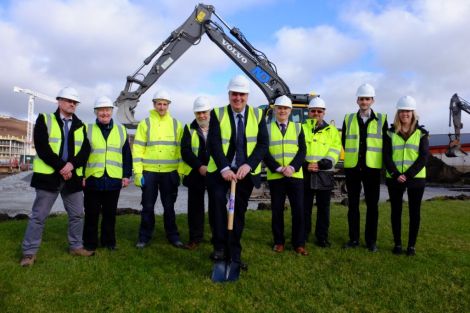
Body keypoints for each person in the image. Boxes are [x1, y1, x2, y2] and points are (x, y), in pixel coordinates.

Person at [20, 87, 93, 267]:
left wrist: (71, 165)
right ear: (59, 101)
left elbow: (85, 150)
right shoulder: (45, 119)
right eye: (69, 101)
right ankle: (29, 253)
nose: (72, 104)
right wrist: (63, 166)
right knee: (38, 216)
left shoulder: (81, 125)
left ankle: (76, 246)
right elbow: (42, 147)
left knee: (77, 215)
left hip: (72, 178)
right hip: (49, 178)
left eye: (75, 102)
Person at [207, 74, 268, 268]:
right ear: (229, 95)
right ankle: (219, 247)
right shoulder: (218, 114)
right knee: (218, 207)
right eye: (235, 94)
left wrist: (248, 164)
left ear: (247, 96)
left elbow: (263, 144)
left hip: (244, 173)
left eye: (242, 95)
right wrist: (225, 167)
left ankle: (234, 253)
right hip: (220, 171)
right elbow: (214, 143)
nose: (238, 98)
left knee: (238, 212)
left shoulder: (258, 115)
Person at [133, 90, 185, 249]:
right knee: (147, 207)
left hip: (169, 173)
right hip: (149, 172)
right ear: (154, 104)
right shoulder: (145, 123)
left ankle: (173, 236)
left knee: (169, 207)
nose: (161, 107)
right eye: (159, 104)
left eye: (164, 104)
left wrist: (180, 172)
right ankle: (144, 237)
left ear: (168, 105)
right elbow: (138, 150)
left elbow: (181, 151)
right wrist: (138, 173)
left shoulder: (176, 124)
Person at [342, 83, 388, 252]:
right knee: (353, 205)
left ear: (372, 101)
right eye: (362, 98)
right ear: (357, 100)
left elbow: (385, 143)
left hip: (372, 169)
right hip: (353, 168)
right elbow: (344, 141)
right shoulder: (348, 119)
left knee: (372, 206)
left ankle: (371, 241)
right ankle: (353, 239)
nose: (364, 101)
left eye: (367, 99)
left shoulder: (382, 119)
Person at [82, 96, 132, 251]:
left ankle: (109, 242)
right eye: (101, 110)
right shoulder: (87, 129)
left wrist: (126, 175)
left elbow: (126, 155)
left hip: (113, 179)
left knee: (110, 214)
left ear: (112, 111)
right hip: (93, 178)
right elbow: (82, 155)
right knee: (91, 214)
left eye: (107, 110)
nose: (104, 113)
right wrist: (82, 175)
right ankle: (90, 243)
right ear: (96, 112)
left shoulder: (121, 130)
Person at [384, 96, 428, 256]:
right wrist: (396, 174)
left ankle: (411, 246)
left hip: (415, 179)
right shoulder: (390, 133)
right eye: (402, 111)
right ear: (398, 113)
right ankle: (397, 244)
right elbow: (386, 155)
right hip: (394, 177)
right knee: (396, 211)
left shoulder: (422, 133)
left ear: (413, 113)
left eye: (408, 111)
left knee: (414, 212)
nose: (405, 114)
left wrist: (408, 175)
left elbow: (423, 157)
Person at [264, 95, 307, 255]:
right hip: (276, 176)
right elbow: (264, 151)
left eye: (285, 108)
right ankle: (279, 242)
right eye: (279, 108)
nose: (282, 111)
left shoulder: (298, 128)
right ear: (274, 110)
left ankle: (299, 244)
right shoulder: (266, 128)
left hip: (295, 175)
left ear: (290, 111)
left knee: (299, 210)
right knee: (277, 211)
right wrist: (277, 168)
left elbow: (302, 150)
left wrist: (292, 167)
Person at [302, 97, 341, 248]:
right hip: (305, 173)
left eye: (319, 111)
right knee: (304, 207)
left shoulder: (332, 131)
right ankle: (303, 235)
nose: (316, 113)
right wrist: (305, 164)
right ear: (308, 112)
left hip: (324, 173)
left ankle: (322, 237)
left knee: (323, 209)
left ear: (324, 112)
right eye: (313, 111)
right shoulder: (300, 128)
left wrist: (322, 164)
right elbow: (296, 149)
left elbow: (335, 150)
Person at [179, 96, 212, 250]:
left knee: (217, 206)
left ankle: (217, 237)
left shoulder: (218, 127)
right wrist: (199, 166)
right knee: (195, 208)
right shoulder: (189, 128)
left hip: (215, 172)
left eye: (204, 112)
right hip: (195, 173)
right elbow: (185, 151)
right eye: (198, 113)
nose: (201, 116)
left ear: (209, 112)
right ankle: (195, 238)